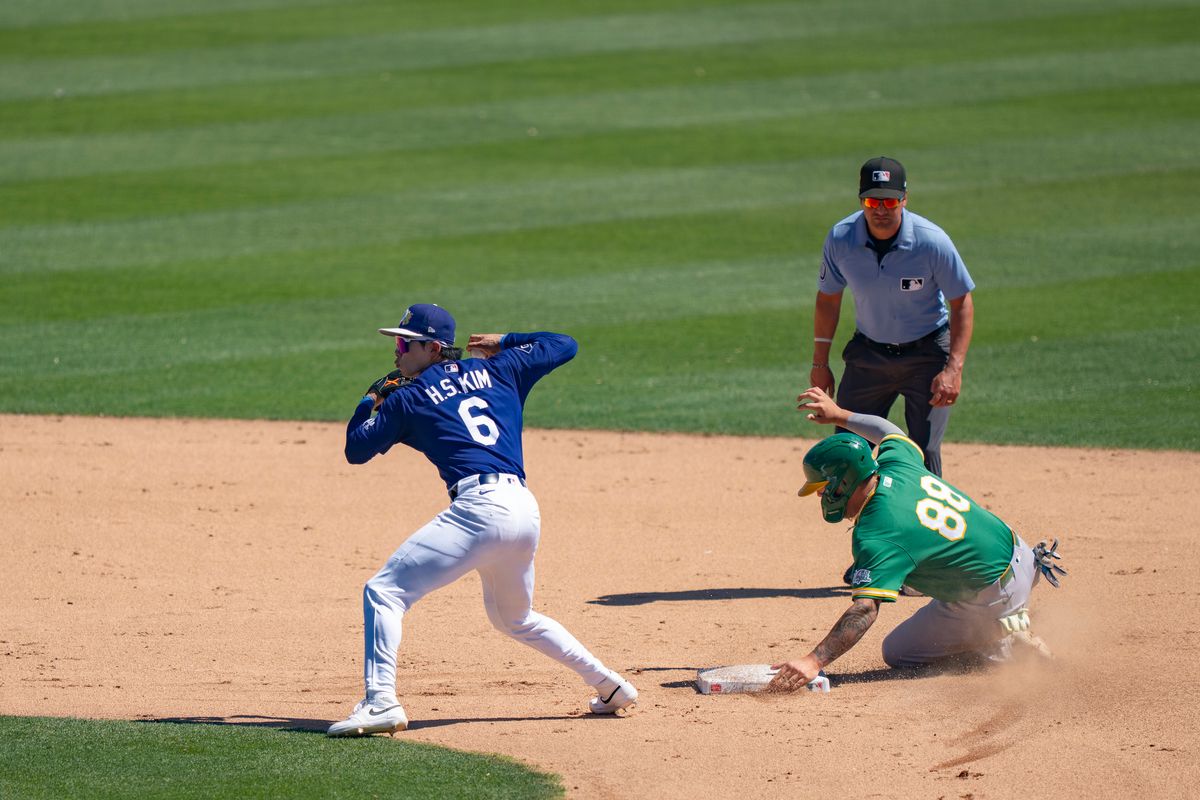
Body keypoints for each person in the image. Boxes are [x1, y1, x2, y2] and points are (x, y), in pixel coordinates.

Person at [327, 303, 637, 737]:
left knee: (385, 591)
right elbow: (565, 345)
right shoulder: (502, 368)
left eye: (404, 343)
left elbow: (356, 450)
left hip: (479, 510)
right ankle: (611, 687)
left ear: (433, 348)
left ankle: (380, 703)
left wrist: (370, 400)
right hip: (523, 509)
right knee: (516, 618)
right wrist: (504, 341)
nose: (396, 352)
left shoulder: (409, 399)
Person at [768, 388, 1064, 691]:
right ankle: (1009, 620)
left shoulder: (877, 532)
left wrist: (813, 660)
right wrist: (840, 415)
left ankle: (1007, 645)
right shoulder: (897, 463)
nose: (819, 494)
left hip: (991, 594)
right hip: (1022, 555)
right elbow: (888, 430)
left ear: (842, 483)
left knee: (899, 652)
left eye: (822, 486)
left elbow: (865, 610)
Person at [810, 156, 975, 478]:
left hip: (927, 356)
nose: (881, 209)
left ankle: (928, 527)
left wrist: (953, 369)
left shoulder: (932, 242)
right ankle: (864, 524)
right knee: (846, 449)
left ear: (904, 199)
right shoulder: (841, 238)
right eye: (873, 201)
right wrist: (820, 363)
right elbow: (828, 299)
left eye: (890, 201)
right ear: (861, 200)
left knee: (922, 453)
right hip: (868, 354)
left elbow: (961, 303)